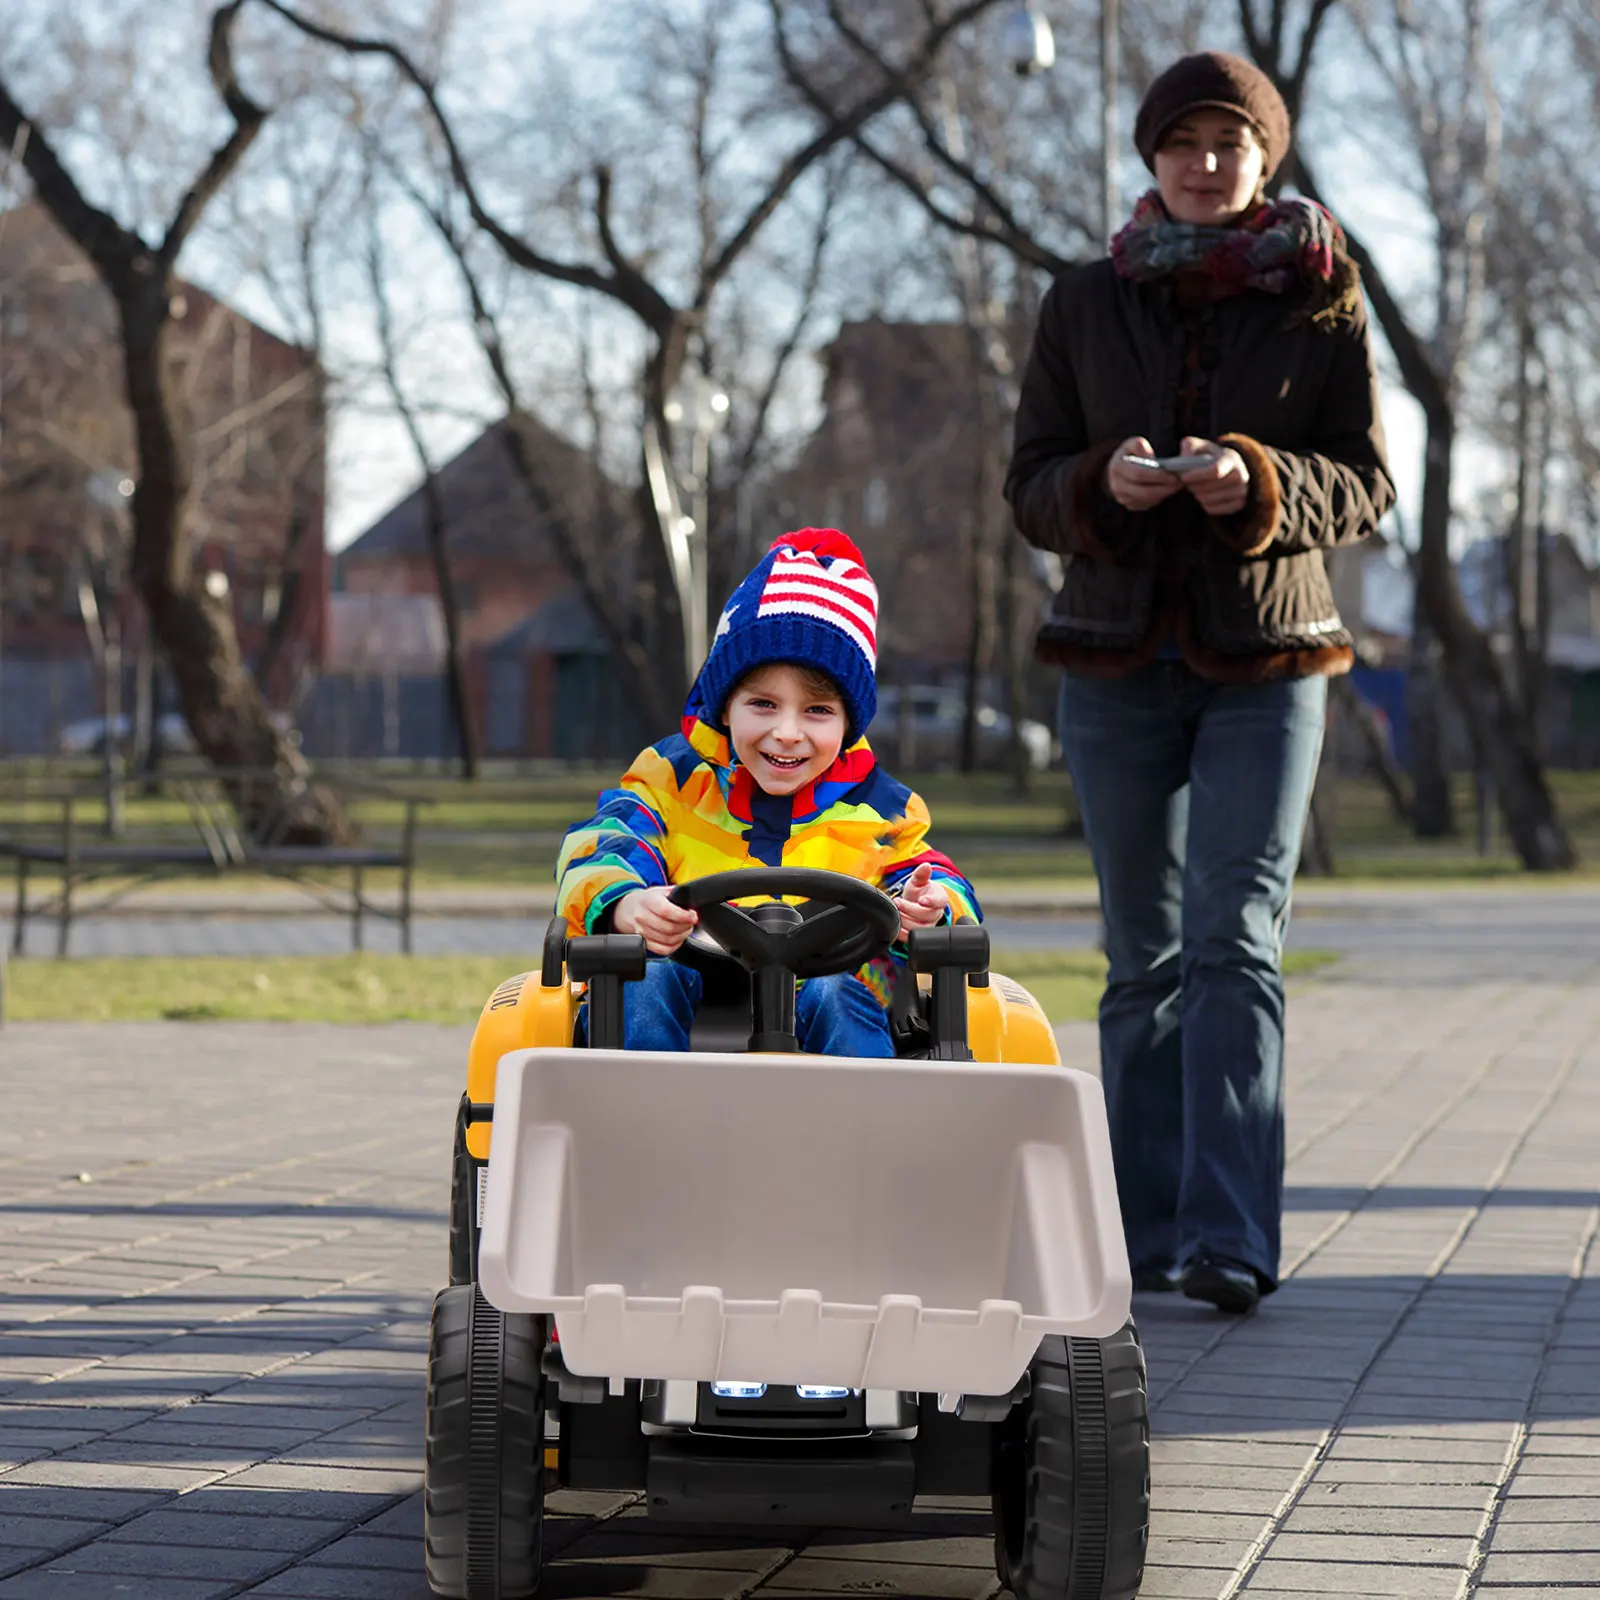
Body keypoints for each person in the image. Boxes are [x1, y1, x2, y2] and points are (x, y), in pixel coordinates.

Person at [1005, 51, 1395, 1314]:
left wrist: (1260, 481)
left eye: (1229, 142)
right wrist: (1095, 488)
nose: (1205, 161)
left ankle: (1229, 1239)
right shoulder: (1081, 302)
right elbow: (1028, 484)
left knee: (1237, 941)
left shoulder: (1323, 299)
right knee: (1141, 960)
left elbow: (1369, 482)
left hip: (1268, 662)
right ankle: (1141, 1233)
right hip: (1113, 665)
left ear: (1264, 156)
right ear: (1149, 156)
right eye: (1182, 141)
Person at [556, 527, 980, 1056]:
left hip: (832, 996)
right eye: (763, 704)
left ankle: (867, 1133)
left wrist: (931, 904)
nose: (786, 732)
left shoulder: (883, 812)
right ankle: (643, 1129)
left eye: (818, 710)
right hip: (687, 993)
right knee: (642, 981)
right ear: (724, 704)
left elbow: (933, 875)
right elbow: (603, 842)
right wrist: (624, 901)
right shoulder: (672, 780)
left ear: (850, 724)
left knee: (839, 995)